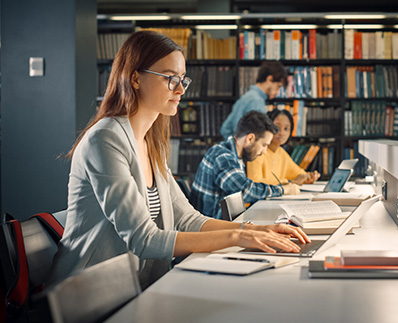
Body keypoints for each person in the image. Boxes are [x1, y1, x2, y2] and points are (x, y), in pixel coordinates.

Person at [49, 31, 309, 288]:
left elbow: (188, 219)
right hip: (86, 296)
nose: (180, 89)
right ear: (135, 78)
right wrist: (238, 237)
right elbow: (143, 239)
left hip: (134, 287)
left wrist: (253, 230)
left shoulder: (151, 142)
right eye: (170, 78)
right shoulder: (105, 139)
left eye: (183, 79)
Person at [190, 110, 301, 219]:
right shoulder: (223, 156)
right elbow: (245, 191)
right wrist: (283, 190)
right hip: (211, 230)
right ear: (250, 139)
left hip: (224, 225)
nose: (264, 151)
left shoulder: (235, 155)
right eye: (264, 145)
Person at [247, 109, 320, 185]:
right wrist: (289, 182)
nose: (282, 133)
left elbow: (298, 173)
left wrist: (308, 177)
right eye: (277, 128)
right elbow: (254, 182)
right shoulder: (257, 151)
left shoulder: (281, 152)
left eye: (286, 129)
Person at [220, 61, 286, 139]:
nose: (277, 92)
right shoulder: (256, 101)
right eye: (278, 86)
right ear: (269, 79)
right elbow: (257, 137)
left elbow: (225, 129)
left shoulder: (249, 96)